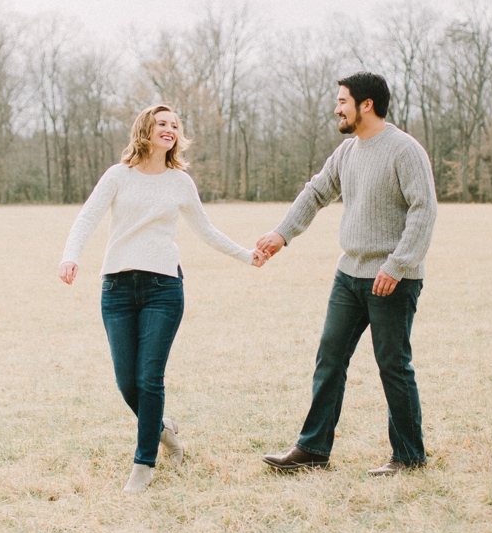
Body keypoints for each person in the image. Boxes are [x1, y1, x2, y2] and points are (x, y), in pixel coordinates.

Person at [59, 103, 258, 493]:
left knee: (150, 377)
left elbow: (206, 230)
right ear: (146, 129)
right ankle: (163, 429)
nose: (169, 129)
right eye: (162, 123)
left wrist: (246, 255)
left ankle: (143, 463)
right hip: (116, 288)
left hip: (163, 288)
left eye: (175, 125)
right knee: (126, 382)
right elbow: (87, 217)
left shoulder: (180, 182)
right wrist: (70, 255)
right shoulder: (118, 176)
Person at [255, 71, 438, 476]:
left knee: (393, 365)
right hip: (349, 274)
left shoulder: (404, 150)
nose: (336, 108)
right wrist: (281, 233)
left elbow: (424, 210)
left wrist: (398, 264)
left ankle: (409, 456)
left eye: (342, 101)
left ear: (365, 104)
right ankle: (313, 449)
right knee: (330, 359)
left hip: (392, 279)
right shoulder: (348, 152)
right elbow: (317, 191)